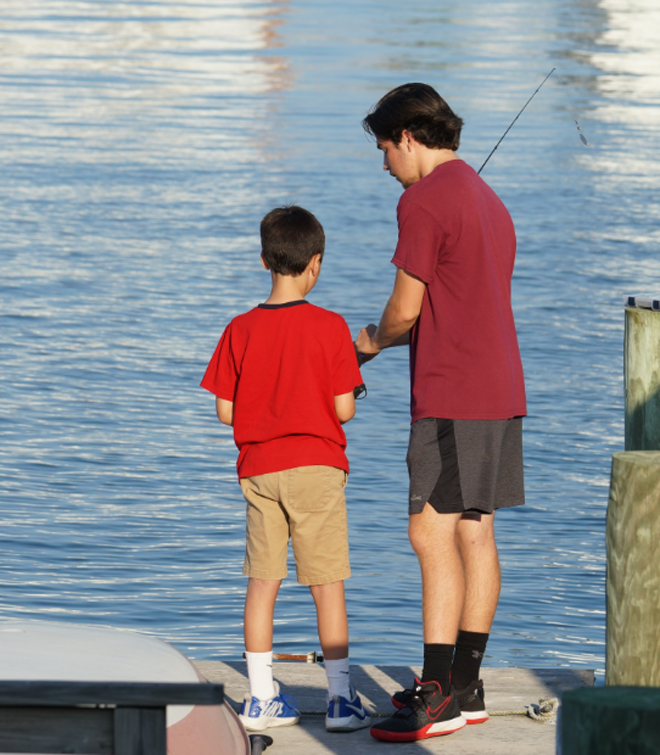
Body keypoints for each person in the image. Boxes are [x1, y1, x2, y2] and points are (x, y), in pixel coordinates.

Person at [355, 83, 527, 743]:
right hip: (501, 388)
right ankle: (466, 683)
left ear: (406, 136)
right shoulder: (491, 202)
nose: (384, 165)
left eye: (383, 149)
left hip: (451, 392)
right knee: (475, 534)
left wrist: (365, 343)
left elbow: (405, 310)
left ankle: (435, 694)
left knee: (429, 534)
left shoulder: (422, 201)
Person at [200, 205, 370, 734]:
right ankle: (341, 700)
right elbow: (344, 409)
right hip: (317, 467)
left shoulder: (239, 329)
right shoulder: (331, 327)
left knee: (262, 582)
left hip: (259, 468)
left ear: (263, 260)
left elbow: (226, 411)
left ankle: (260, 698)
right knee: (327, 584)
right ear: (315, 264)